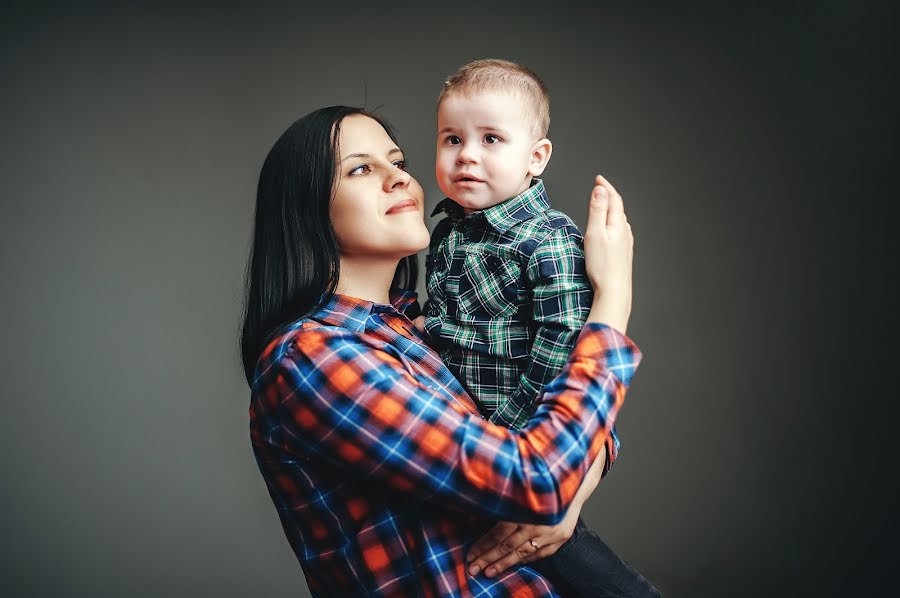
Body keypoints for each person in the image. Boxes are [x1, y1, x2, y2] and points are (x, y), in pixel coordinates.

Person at [241, 105, 638, 597]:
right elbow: (537, 477)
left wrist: (571, 495)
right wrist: (613, 298)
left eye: (398, 162)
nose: (399, 180)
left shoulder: (422, 330)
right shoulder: (312, 357)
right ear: (305, 207)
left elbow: (561, 427)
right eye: (362, 168)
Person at [422, 59, 659, 596]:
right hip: (470, 452)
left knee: (571, 558)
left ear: (537, 157)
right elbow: (445, 323)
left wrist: (509, 432)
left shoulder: (546, 240)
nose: (467, 156)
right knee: (503, 563)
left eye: (491, 139)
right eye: (452, 138)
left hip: (527, 435)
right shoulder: (446, 234)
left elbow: (563, 349)